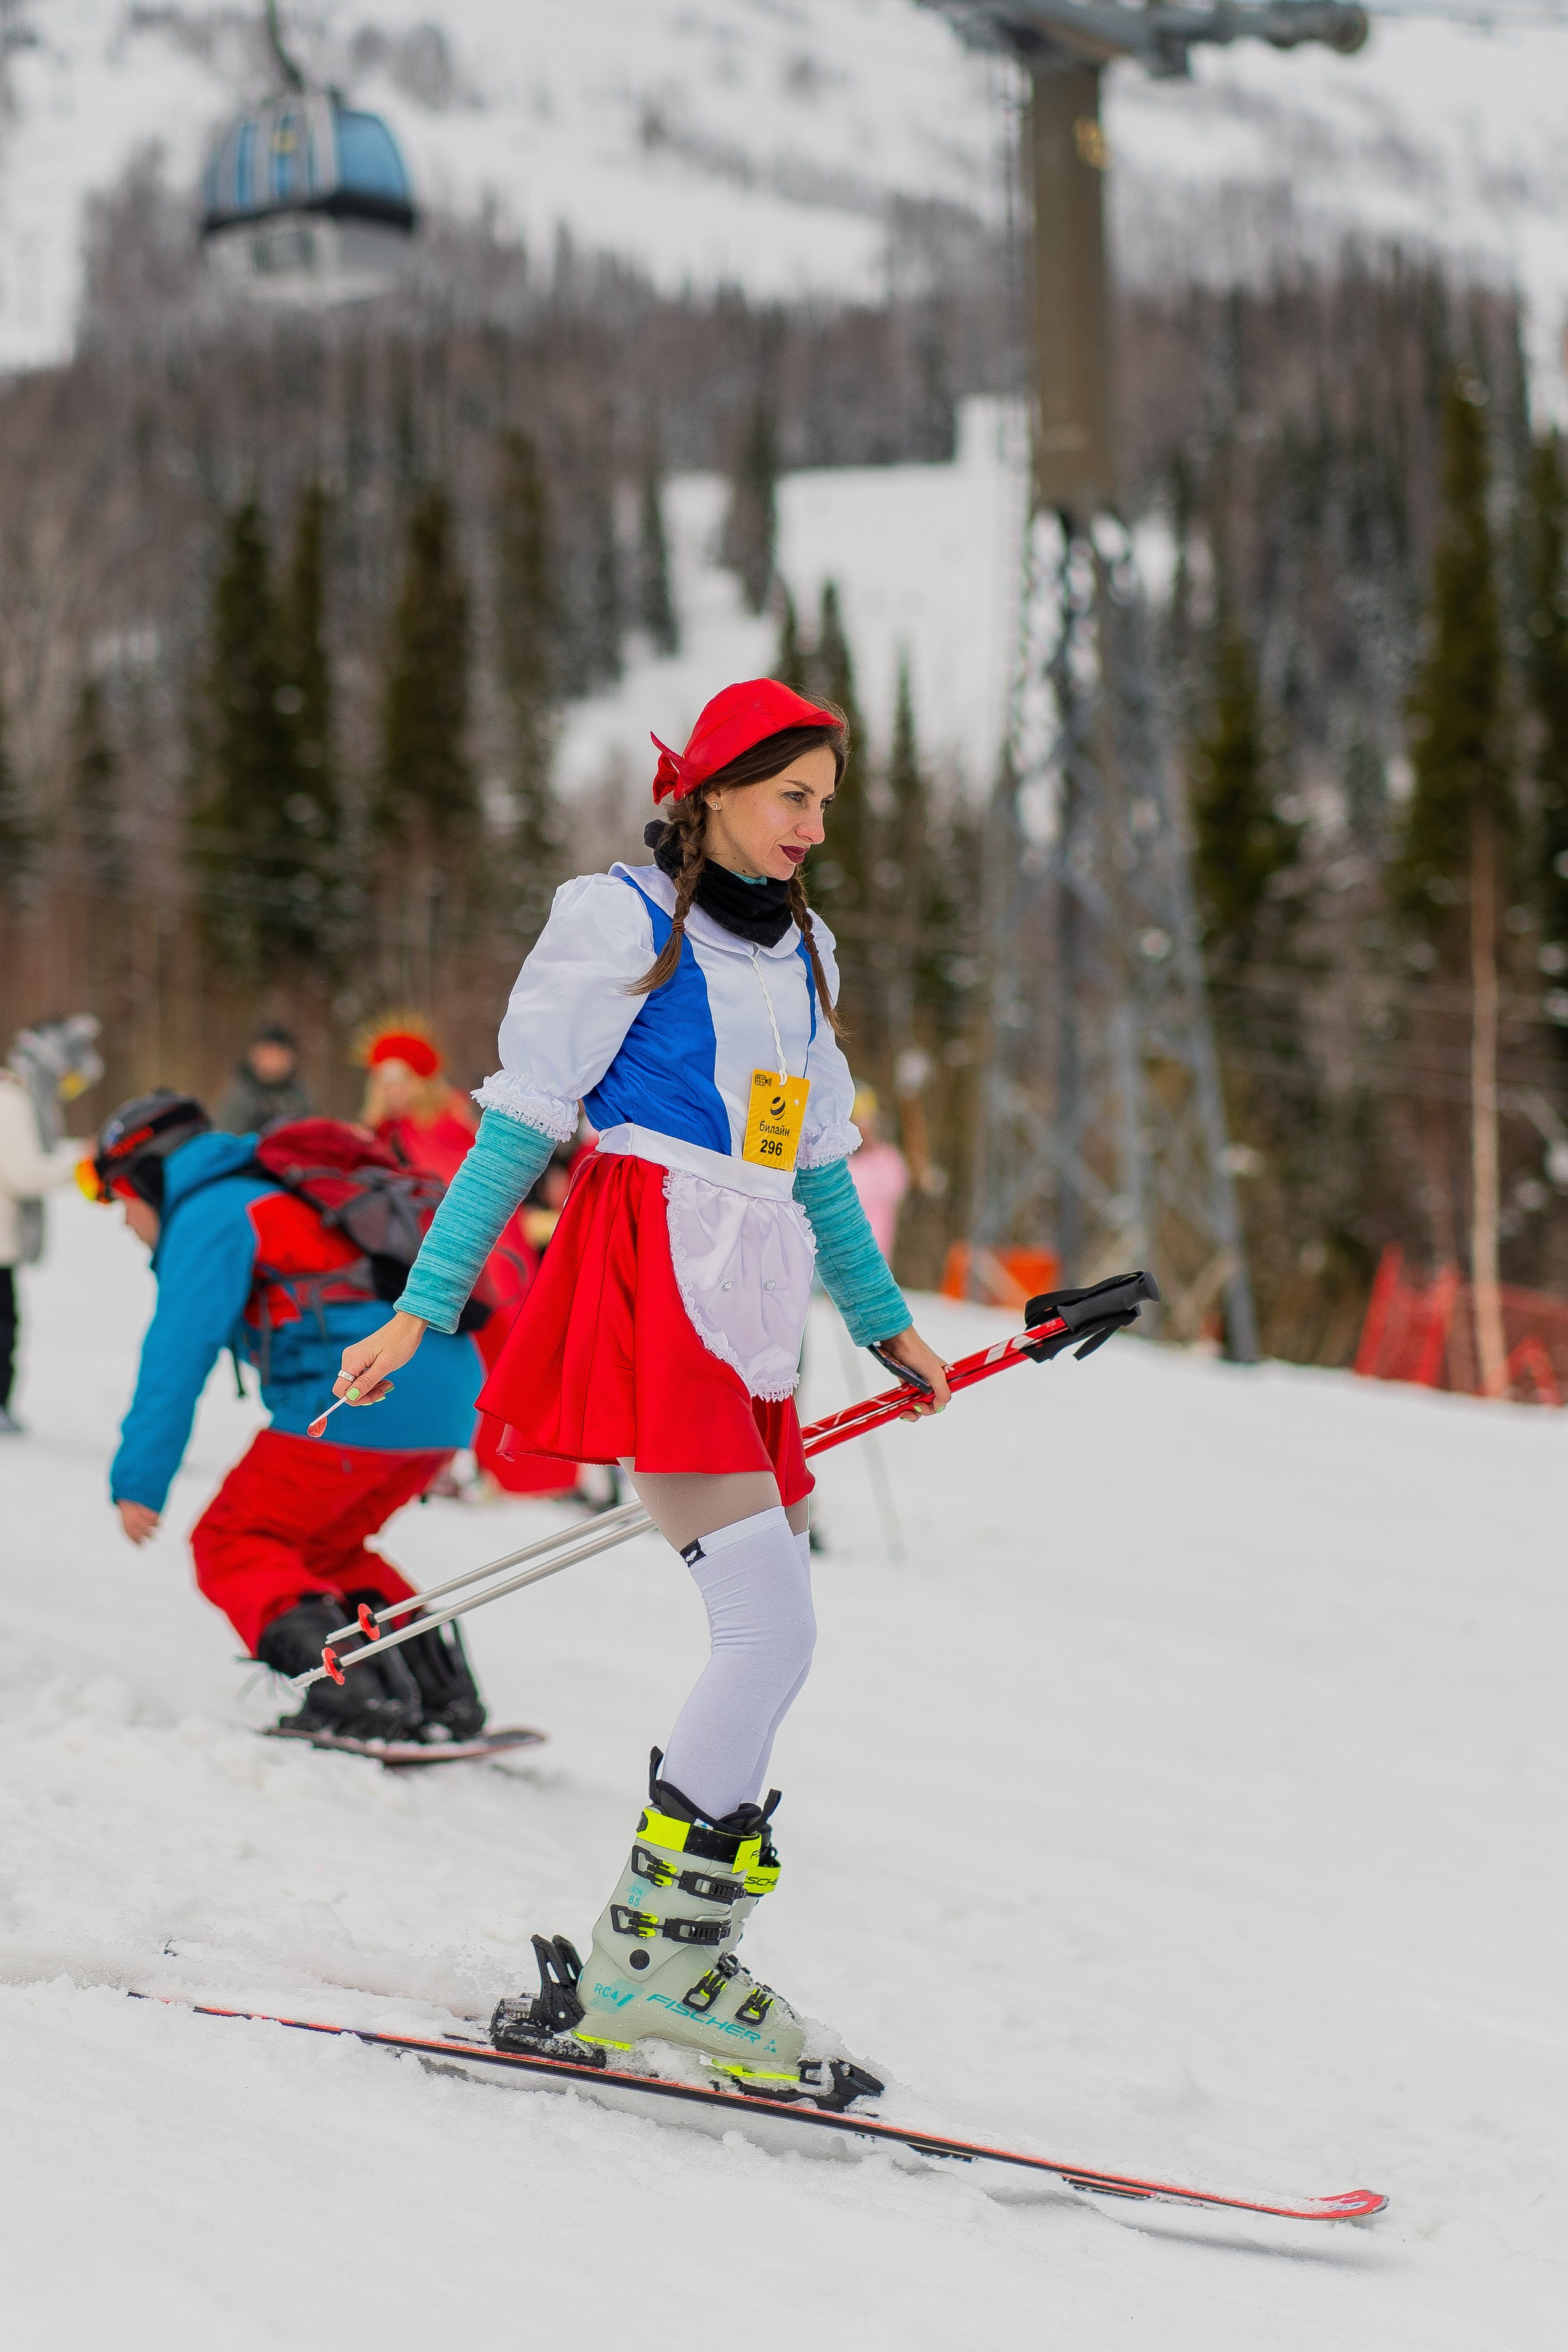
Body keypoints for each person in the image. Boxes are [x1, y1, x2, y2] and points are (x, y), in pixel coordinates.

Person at [333, 678, 951, 2092]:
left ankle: (651, 1961)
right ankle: (653, 1965)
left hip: (745, 1292)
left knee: (772, 1626)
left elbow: (813, 1164)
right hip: (649, 1274)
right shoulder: (614, 918)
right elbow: (517, 1124)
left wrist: (882, 1322)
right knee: (769, 1624)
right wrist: (424, 1309)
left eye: (823, 802)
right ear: (714, 790)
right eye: (789, 794)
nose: (810, 823)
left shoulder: (805, 952)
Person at [90, 1088, 488, 1743]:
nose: (120, 1218)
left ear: (146, 1175)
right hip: (442, 1393)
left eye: (116, 1196)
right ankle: (441, 1697)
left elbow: (176, 1354)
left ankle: (354, 1698)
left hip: (363, 1393)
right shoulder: (277, 1192)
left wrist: (139, 1479)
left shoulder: (213, 1212)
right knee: (325, 1547)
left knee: (230, 1539)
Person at [358, 1016, 582, 1500]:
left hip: (484, 1265)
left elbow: (476, 1198)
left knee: (507, 1362)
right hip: (415, 1267)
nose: (394, 1091)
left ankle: (529, 1472)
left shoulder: (448, 1125)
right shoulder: (382, 1133)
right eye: (385, 1081)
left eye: (403, 1080)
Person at [0, 1014, 104, 1433]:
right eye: (66, 1078)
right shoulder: (11, 1098)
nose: (67, 1089)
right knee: (4, 1328)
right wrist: (83, 1165)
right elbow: (24, 1173)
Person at [846, 1082, 910, 1262]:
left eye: (867, 1123)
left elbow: (897, 1195)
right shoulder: (840, 1163)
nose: (863, 1130)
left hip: (874, 1259)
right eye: (857, 1123)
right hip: (839, 1256)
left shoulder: (889, 1159)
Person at [216, 1023, 312, 1134]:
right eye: (268, 1054)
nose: (273, 1062)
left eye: (279, 1054)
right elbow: (229, 1138)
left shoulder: (301, 1095)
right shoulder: (242, 1095)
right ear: (255, 1055)